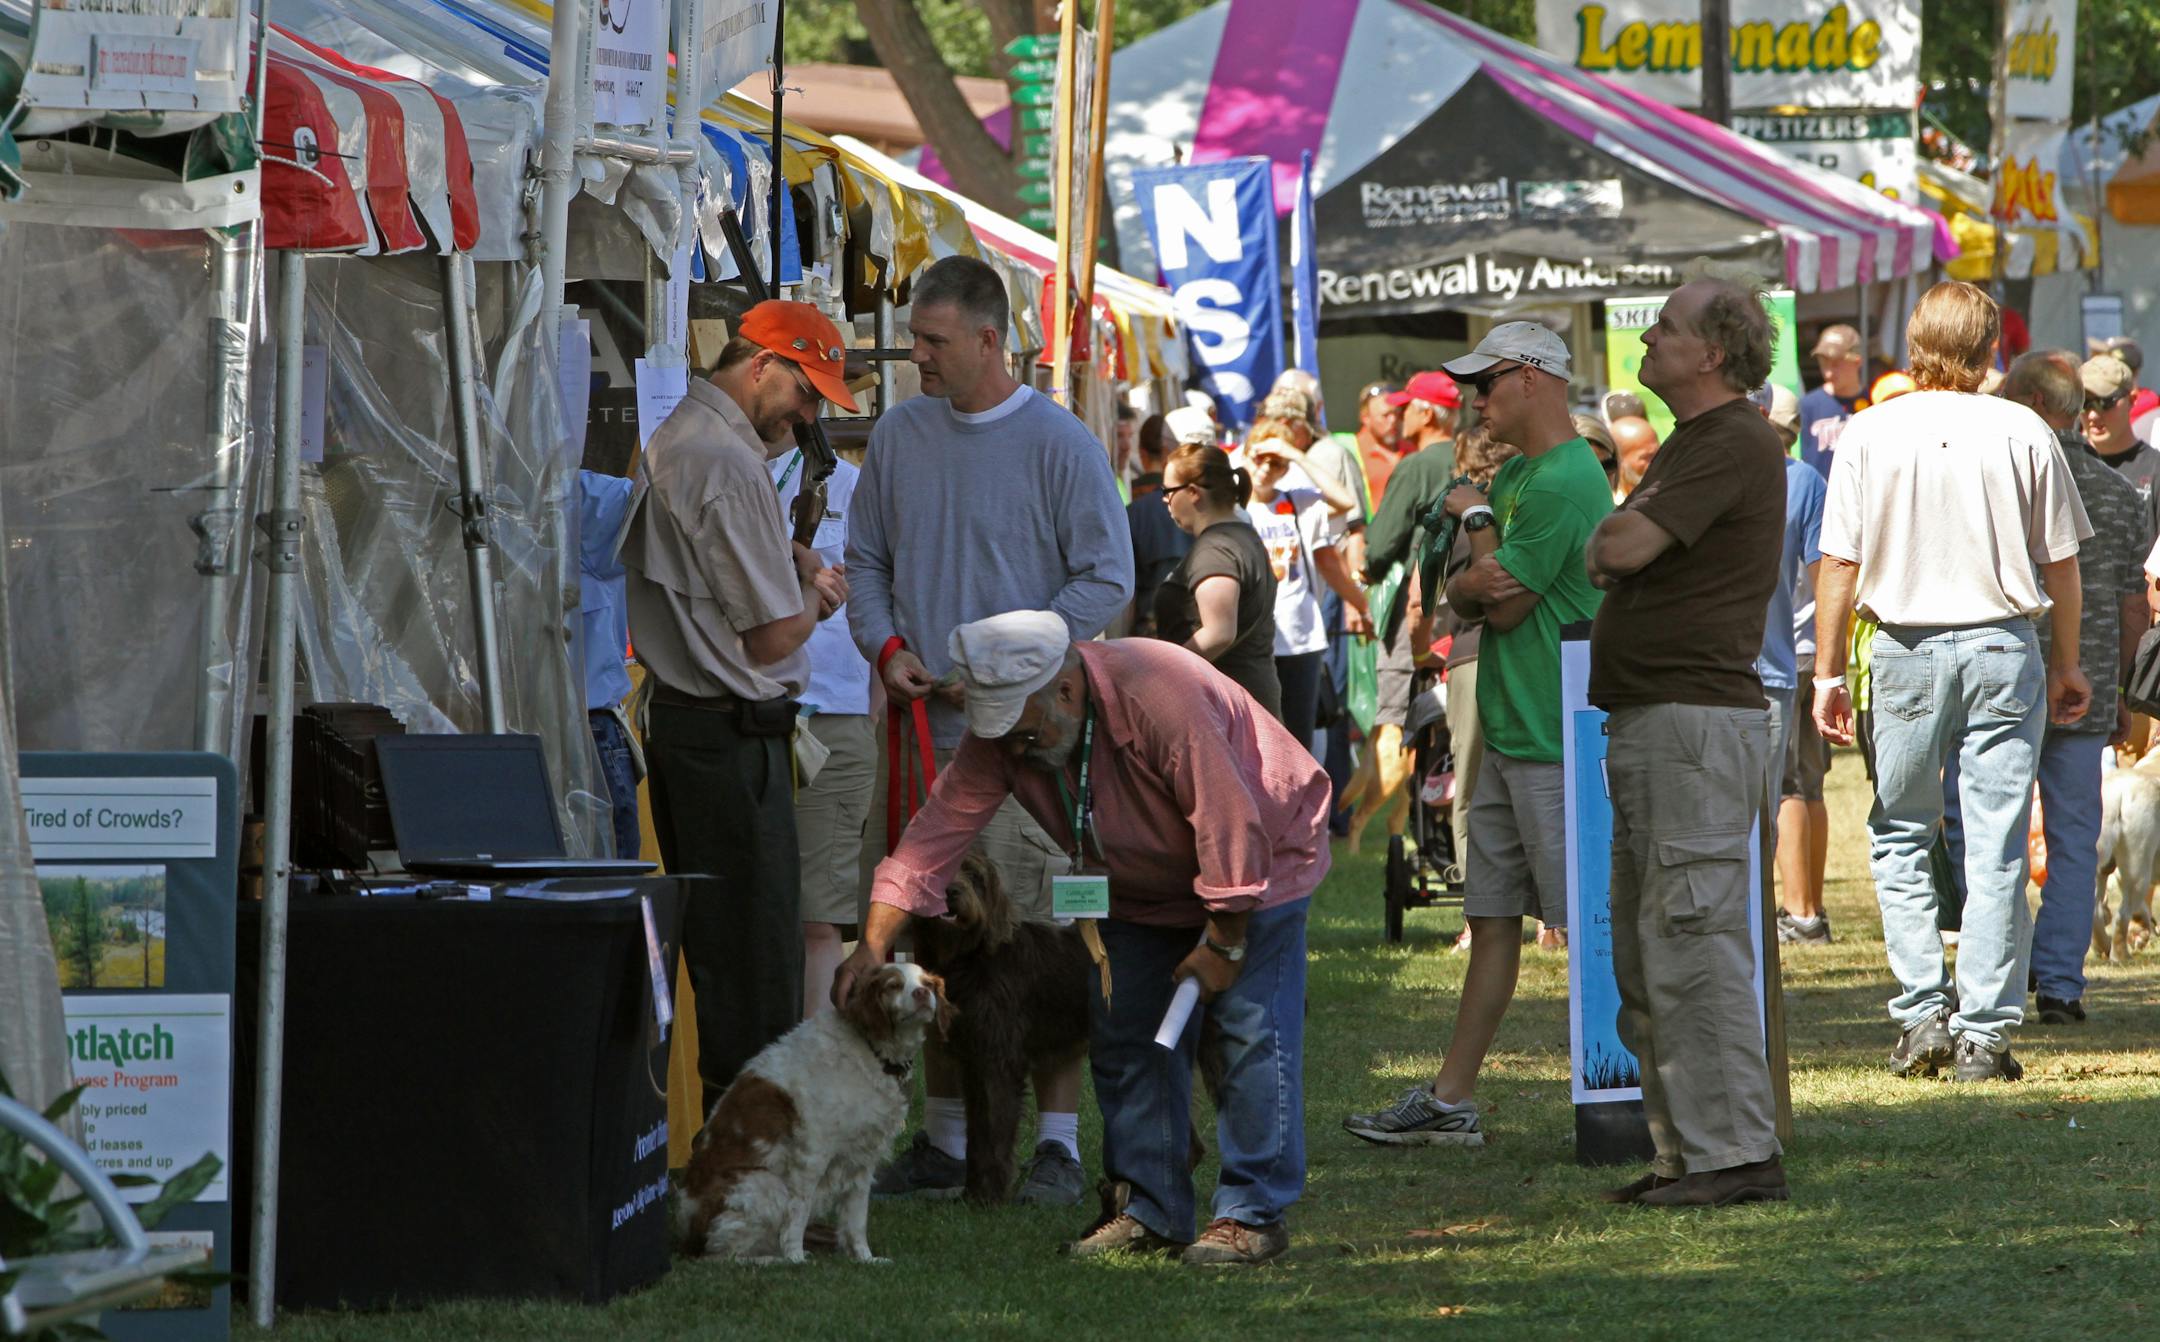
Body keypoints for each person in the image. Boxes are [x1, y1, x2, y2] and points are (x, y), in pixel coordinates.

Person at [834, 611, 1330, 1266]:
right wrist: (871, 946)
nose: (1014, 753)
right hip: (1141, 885)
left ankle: (1251, 1214)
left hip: (1260, 863)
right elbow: (930, 842)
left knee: (1245, 1033)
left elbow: (1230, 821)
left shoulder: (1161, 694)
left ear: (1066, 691)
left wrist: (1225, 941)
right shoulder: (1006, 735)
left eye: (1024, 736)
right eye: (1004, 740)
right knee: (1126, 1037)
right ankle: (1149, 1208)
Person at [846, 254, 1133, 1205]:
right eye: (914, 340)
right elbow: (867, 561)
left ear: (985, 338)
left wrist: (1011, 668)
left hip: (1029, 744)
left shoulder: (1061, 444)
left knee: (1038, 939)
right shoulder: (897, 435)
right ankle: (946, 1139)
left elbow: (1105, 581)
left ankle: (1055, 1142)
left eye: (931, 341)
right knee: (935, 936)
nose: (915, 358)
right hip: (921, 734)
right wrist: (887, 648)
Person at [1811, 281, 2091, 1086]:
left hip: (1902, 647)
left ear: (1915, 342)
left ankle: (1922, 1014)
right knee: (1997, 839)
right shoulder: (2022, 428)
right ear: (1989, 350)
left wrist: (1829, 672)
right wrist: (2068, 662)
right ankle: (1985, 1032)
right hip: (2004, 644)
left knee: (1902, 831)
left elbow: (1839, 564)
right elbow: (2061, 563)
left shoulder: (1870, 430)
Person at [1342, 322, 1609, 1149]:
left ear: (1532, 378)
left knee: (1592, 931)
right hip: (1509, 731)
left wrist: (1481, 527)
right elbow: (1462, 596)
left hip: (1555, 739)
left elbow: (1508, 599)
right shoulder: (1529, 473)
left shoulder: (1562, 480)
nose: (1473, 398)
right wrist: (1477, 568)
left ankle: (1635, 1088)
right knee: (1490, 918)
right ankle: (1451, 1101)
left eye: (1485, 382)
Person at [1582, 271, 1788, 1206]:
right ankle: (1689, 1155)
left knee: (1694, 942)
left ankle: (1734, 1156)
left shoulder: (1731, 439)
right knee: (1651, 947)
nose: (1646, 343)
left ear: (1713, 353)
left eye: (1664, 330)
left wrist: (1614, 535)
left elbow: (1617, 550)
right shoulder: (1694, 442)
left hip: (1693, 727)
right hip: (1667, 723)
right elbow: (1618, 542)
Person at [621, 299, 854, 1109]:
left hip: (703, 731)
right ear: (762, 364)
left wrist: (789, 555)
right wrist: (819, 596)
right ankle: (753, 1166)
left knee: (735, 953)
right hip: (726, 735)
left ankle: (739, 1155)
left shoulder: (688, 434)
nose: (808, 414)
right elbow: (768, 640)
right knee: (753, 962)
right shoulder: (721, 459)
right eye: (805, 390)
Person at [1998, 350, 2150, 1023]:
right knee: (2074, 835)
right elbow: (2131, 608)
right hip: (2083, 684)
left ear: (2026, 402)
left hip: (2001, 678)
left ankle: (1999, 978)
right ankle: (2060, 983)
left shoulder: (1998, 480)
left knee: (1992, 834)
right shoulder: (2118, 495)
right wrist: (2117, 689)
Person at [772, 443, 876, 1020]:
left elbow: (884, 598)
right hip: (745, 709)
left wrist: (872, 708)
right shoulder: (725, 467)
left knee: (819, 914)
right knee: (752, 910)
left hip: (834, 717)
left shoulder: (860, 488)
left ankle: (809, 1074)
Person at [1343, 371, 1463, 851]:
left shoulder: (1415, 466)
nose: (1399, 414)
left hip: (1419, 606)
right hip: (1471, 609)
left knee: (1395, 720)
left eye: (1407, 405)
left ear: (1427, 412)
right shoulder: (1476, 455)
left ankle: (1380, 830)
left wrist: (1364, 574)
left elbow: (1381, 545)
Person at [1432, 426, 1522, 893]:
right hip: (1521, 651)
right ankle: (1551, 915)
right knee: (1531, 777)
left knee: (1468, 784)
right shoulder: (1523, 506)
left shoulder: (1462, 515)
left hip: (1471, 656)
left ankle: (1476, 903)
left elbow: (1427, 594)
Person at [1747, 384, 1826, 899]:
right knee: (1799, 787)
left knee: (1788, 791)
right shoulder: (1686, 469)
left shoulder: (1801, 482)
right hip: (1779, 661)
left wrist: (1830, 668)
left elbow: (1826, 575)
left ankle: (1797, 912)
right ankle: (1802, 911)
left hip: (1784, 665)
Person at [1245, 431, 1366, 750]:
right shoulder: (1236, 505)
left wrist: (1295, 454)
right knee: (1259, 739)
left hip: (1301, 635)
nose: (1264, 471)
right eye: (1258, 460)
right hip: (1256, 636)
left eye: (1275, 464)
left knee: (1298, 740)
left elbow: (1345, 501)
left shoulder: (1295, 500)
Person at [1154, 444, 1280, 715]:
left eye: (1168, 492)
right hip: (1244, 702)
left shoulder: (1216, 549)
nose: (1164, 500)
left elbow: (1219, 633)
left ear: (1193, 493)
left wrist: (1161, 675)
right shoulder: (1242, 536)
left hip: (1226, 709)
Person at [576, 468, 640, 860]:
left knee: (612, 873)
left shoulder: (582, 496)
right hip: (516, 725)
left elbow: (651, 511)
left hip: (593, 724)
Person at [2082, 351, 2160, 540]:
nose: (2093, 415)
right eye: (2085, 403)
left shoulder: (2155, 468)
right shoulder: (2067, 466)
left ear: (2132, 400)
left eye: (2105, 402)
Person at [1126, 413, 1191, 638]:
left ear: (1142, 452)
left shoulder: (1135, 510)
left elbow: (1125, 590)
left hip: (1152, 633)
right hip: (1197, 628)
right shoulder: (1208, 503)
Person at [1799, 323, 1867, 478]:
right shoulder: (1808, 405)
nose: (1828, 373)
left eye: (1836, 364)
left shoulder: (1874, 401)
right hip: (1822, 497)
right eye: (1823, 364)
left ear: (1857, 361)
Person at [1332, 380, 1403, 511]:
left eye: (1397, 414)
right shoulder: (1346, 447)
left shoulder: (1410, 447)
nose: (1393, 420)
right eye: (1385, 415)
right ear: (1365, 417)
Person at [1609, 415, 1660, 501]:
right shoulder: (1609, 508)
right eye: (1646, 457)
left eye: (1658, 453)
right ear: (1619, 462)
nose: (1657, 461)